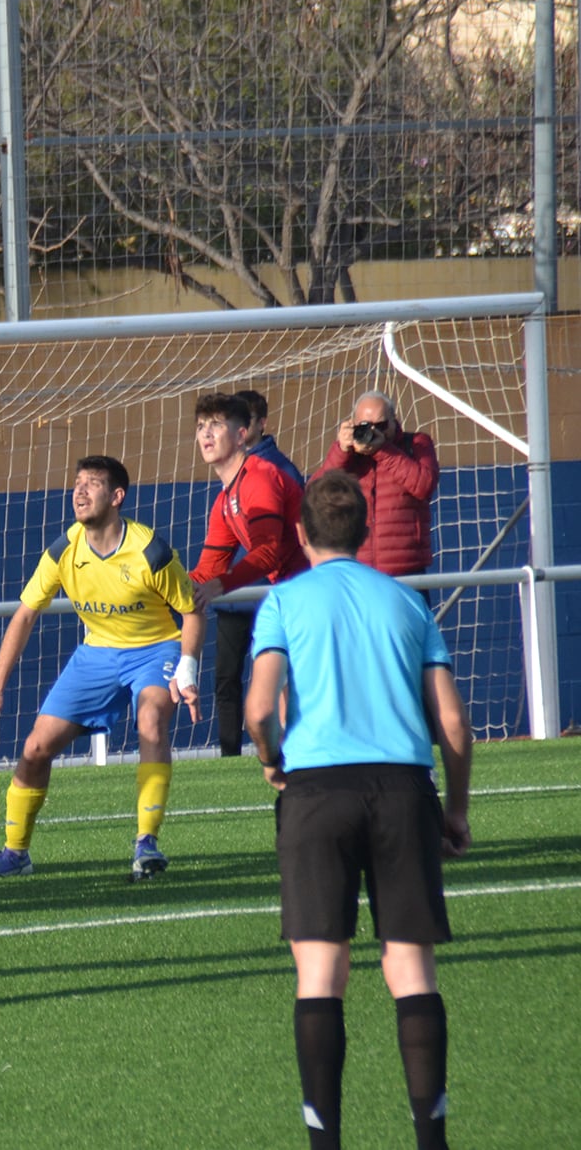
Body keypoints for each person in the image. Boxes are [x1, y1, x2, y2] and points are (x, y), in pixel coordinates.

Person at [245, 470, 472, 1150]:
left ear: (301, 532)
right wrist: (454, 812)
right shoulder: (406, 603)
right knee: (412, 971)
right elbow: (454, 727)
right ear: (366, 531)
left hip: (316, 793)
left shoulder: (283, 602)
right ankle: (432, 1139)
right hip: (404, 790)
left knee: (321, 973)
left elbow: (259, 709)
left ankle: (325, 1141)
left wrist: (271, 756)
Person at [0, 455, 203, 882]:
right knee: (35, 748)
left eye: (92, 484)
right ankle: (15, 853)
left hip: (154, 649)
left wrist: (186, 669)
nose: (79, 491)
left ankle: (146, 845)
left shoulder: (151, 551)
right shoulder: (64, 549)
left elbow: (192, 612)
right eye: (77, 483)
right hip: (96, 654)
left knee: (150, 719)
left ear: (117, 497)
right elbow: (24, 616)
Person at [188, 393, 309, 757]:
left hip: (313, 594)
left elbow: (268, 550)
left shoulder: (260, 477)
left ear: (242, 435)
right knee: (268, 708)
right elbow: (207, 568)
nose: (206, 434)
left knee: (295, 702)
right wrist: (157, 589)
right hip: (287, 597)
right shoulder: (226, 499)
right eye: (200, 426)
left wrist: (217, 586)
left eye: (216, 425)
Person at [314, 390, 440, 577]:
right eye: (365, 426)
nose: (373, 432)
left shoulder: (415, 444)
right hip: (357, 571)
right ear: (353, 424)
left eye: (381, 425)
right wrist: (341, 451)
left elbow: (424, 485)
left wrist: (382, 451)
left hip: (406, 571)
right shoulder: (348, 456)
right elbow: (315, 496)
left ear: (393, 420)